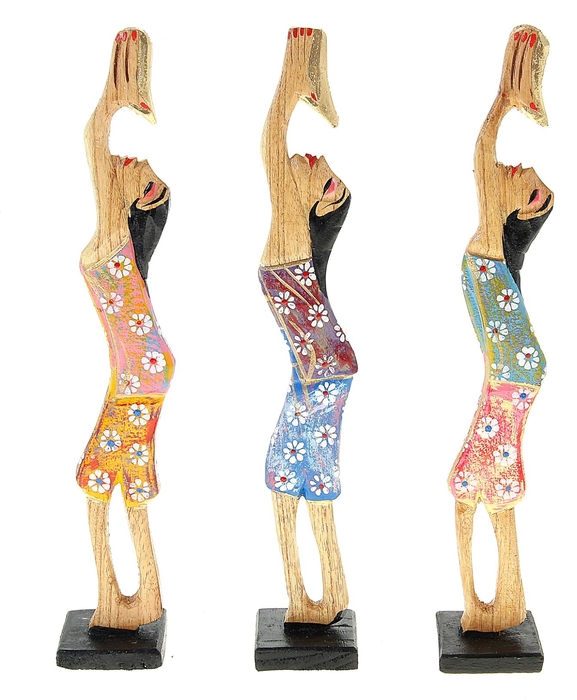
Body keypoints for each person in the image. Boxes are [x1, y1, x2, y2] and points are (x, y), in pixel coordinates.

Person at [448, 26, 554, 633]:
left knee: (472, 487)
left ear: (521, 206)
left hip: (511, 384)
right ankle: (490, 603)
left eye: (525, 177)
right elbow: (486, 159)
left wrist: (504, 100)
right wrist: (509, 95)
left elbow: (483, 151)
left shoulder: (491, 249)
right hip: (511, 384)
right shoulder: (491, 254)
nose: (514, 167)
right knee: (483, 488)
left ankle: (489, 605)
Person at [77, 28, 173, 630]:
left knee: (96, 479)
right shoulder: (116, 246)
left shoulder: (113, 241)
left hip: (139, 381)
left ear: (139, 199)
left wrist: (115, 98)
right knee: (127, 484)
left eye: (143, 173)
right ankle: (136, 600)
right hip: (141, 379)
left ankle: (120, 600)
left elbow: (94, 140)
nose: (129, 160)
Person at [259, 27, 356, 625]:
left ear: (313, 203)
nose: (309, 156)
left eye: (321, 172)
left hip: (322, 377)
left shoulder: (289, 239)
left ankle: (317, 595)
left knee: (289, 477)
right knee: (302, 481)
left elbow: (272, 141)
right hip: (323, 375)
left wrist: (294, 76)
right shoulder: (292, 246)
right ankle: (320, 594)